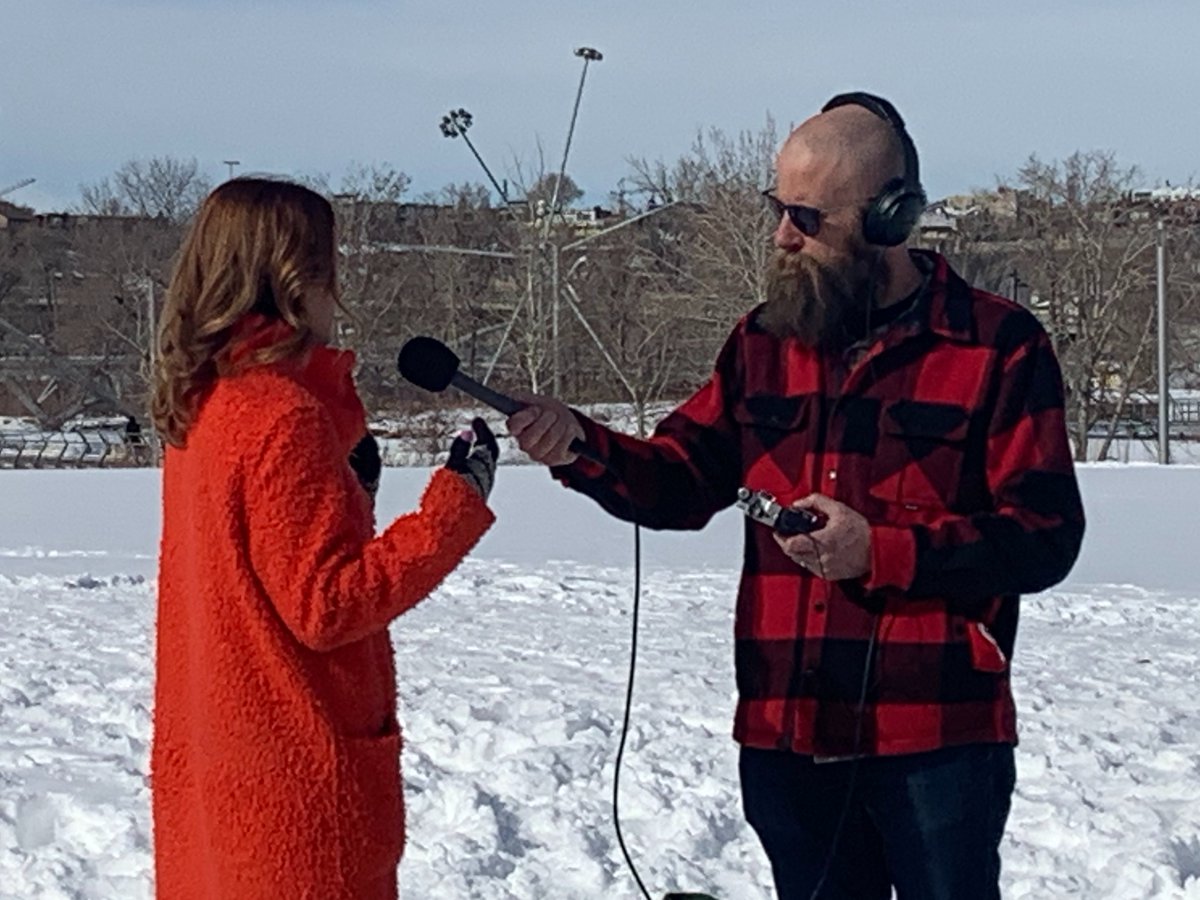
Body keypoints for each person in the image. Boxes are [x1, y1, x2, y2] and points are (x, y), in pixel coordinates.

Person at [507, 93, 1085, 899]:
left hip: (937, 743)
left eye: (806, 218)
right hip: (787, 733)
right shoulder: (760, 341)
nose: (782, 234)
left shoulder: (998, 345)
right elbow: (682, 477)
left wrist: (879, 551)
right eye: (777, 208)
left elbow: (1044, 535)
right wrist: (580, 446)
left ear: (888, 219)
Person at [150, 178, 498, 900]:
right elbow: (326, 604)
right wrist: (455, 504)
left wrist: (350, 494)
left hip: (220, 784)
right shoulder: (282, 415)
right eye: (326, 264)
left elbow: (265, 576)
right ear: (293, 275)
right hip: (294, 805)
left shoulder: (205, 404)